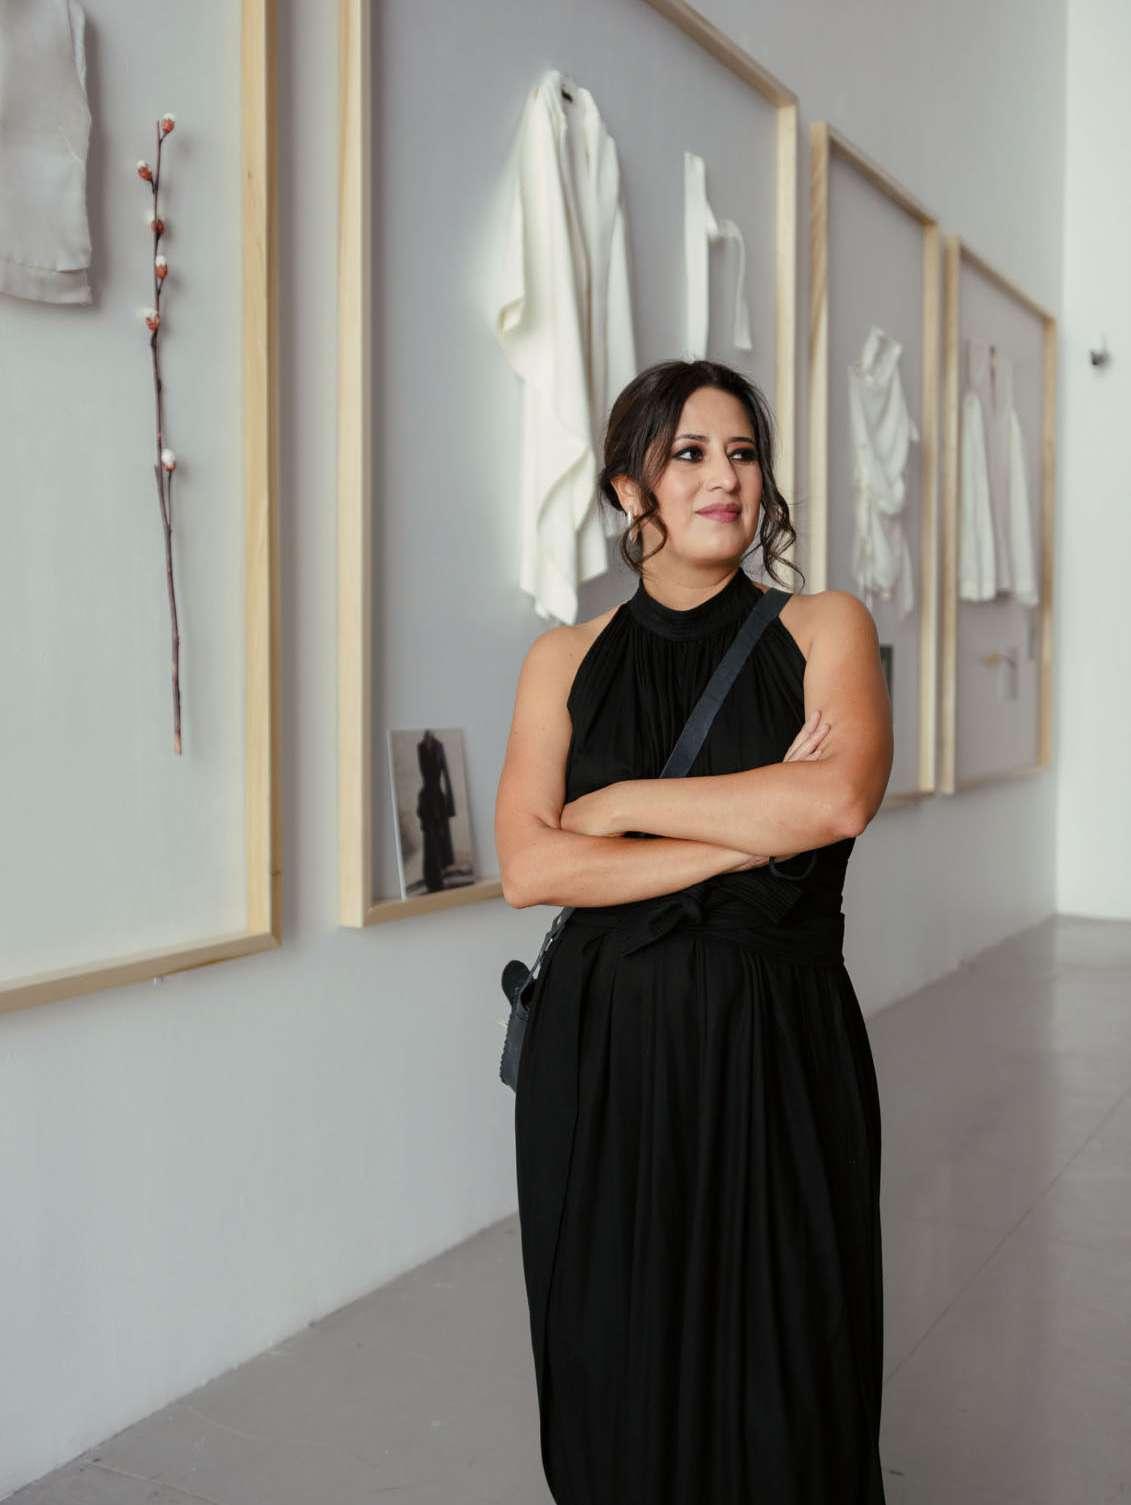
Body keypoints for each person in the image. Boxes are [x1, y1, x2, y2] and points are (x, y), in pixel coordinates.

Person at [495, 358, 894, 1504]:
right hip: (602, 1053)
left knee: (790, 1351)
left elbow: (835, 800)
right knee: (613, 1346)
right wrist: (744, 834)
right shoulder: (563, 658)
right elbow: (532, 865)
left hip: (778, 1045)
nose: (725, 476)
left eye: (743, 452)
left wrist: (621, 805)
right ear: (631, 488)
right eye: (689, 453)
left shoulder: (825, 625)